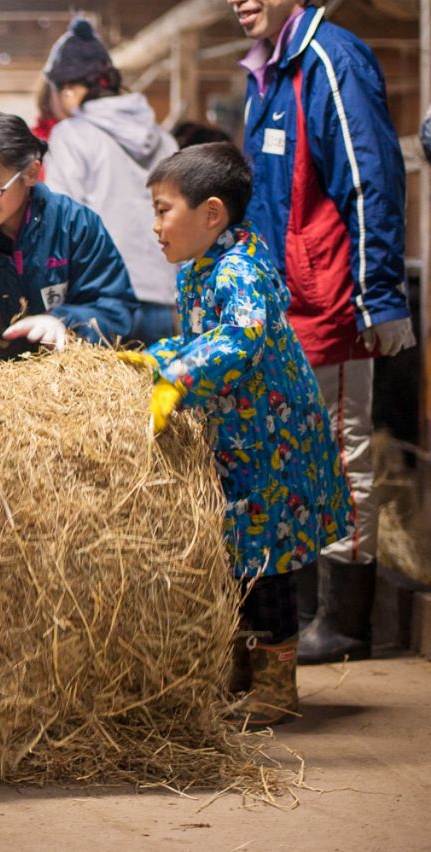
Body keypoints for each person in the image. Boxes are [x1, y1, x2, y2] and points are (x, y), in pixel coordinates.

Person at [127, 142, 351, 726]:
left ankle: (276, 687)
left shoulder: (239, 269)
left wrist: (178, 376)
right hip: (242, 442)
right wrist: (160, 358)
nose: (155, 226)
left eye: (163, 210)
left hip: (273, 445)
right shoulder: (202, 268)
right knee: (240, 562)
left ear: (211, 214)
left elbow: (239, 339)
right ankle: (243, 670)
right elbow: (203, 339)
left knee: (266, 565)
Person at [231, 0, 413, 664]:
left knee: (340, 453)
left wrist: (378, 296)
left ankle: (345, 620)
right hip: (287, 305)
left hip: (331, 301)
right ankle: (309, 608)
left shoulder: (331, 59)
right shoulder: (267, 74)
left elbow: (370, 178)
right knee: (298, 459)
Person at [0, 112, 137, 359]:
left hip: (65, 374)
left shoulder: (74, 225)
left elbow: (114, 309)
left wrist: (64, 323)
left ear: (31, 173)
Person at [41, 18, 180, 346]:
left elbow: (61, 219)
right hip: (163, 296)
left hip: (102, 302)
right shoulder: (165, 141)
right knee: (155, 381)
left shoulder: (71, 136)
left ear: (68, 90)